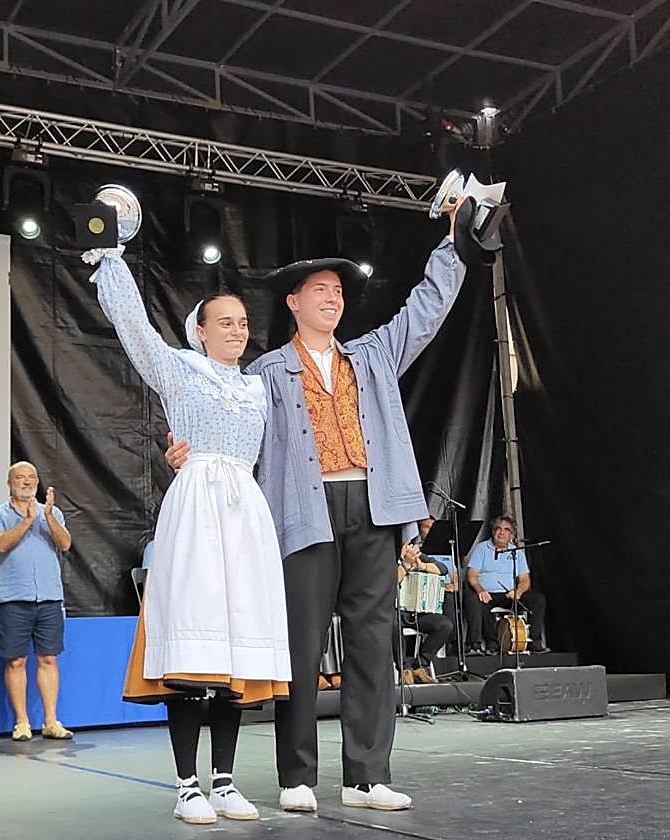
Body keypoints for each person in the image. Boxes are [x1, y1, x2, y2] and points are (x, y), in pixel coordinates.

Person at [167, 195, 466, 812]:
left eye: (338, 291)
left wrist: (454, 240)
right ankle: (297, 774)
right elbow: (227, 422)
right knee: (301, 644)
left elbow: (427, 308)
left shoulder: (373, 354)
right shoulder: (267, 373)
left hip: (373, 504)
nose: (333, 299)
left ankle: (366, 776)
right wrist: (190, 454)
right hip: (304, 510)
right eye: (320, 291)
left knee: (372, 641)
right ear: (294, 303)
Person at [86, 246, 291, 826]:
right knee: (194, 652)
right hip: (199, 503)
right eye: (224, 322)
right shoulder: (180, 370)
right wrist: (112, 260)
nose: (237, 330)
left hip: (245, 511)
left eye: (243, 322)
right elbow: (135, 332)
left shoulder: (259, 389)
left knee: (234, 652)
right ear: (199, 331)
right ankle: (187, 786)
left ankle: (224, 780)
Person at [0, 462, 74, 742]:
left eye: (32, 477)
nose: (27, 482)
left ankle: (51, 721)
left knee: (48, 658)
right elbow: (1, 544)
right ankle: (22, 722)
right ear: (9, 483)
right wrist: (26, 520)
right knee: (16, 661)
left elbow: (65, 543)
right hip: (13, 597)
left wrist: (46, 516)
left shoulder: (52, 513)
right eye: (20, 477)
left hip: (49, 596)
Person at [464, 515, 549, 653]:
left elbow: (525, 580)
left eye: (506, 530)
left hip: (509, 594)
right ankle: (479, 645)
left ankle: (534, 642)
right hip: (487, 594)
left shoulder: (517, 552)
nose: (501, 532)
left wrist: (518, 592)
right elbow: (472, 576)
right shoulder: (481, 548)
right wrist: (480, 590)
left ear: (511, 534)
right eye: (498, 529)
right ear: (493, 531)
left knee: (538, 600)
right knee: (472, 600)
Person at [396, 518, 456, 685]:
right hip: (395, 611)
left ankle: (420, 665)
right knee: (392, 625)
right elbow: (391, 582)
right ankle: (404, 667)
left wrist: (421, 565)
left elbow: (442, 569)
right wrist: (405, 565)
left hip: (416, 612)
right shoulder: (387, 557)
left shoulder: (417, 554)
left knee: (445, 625)